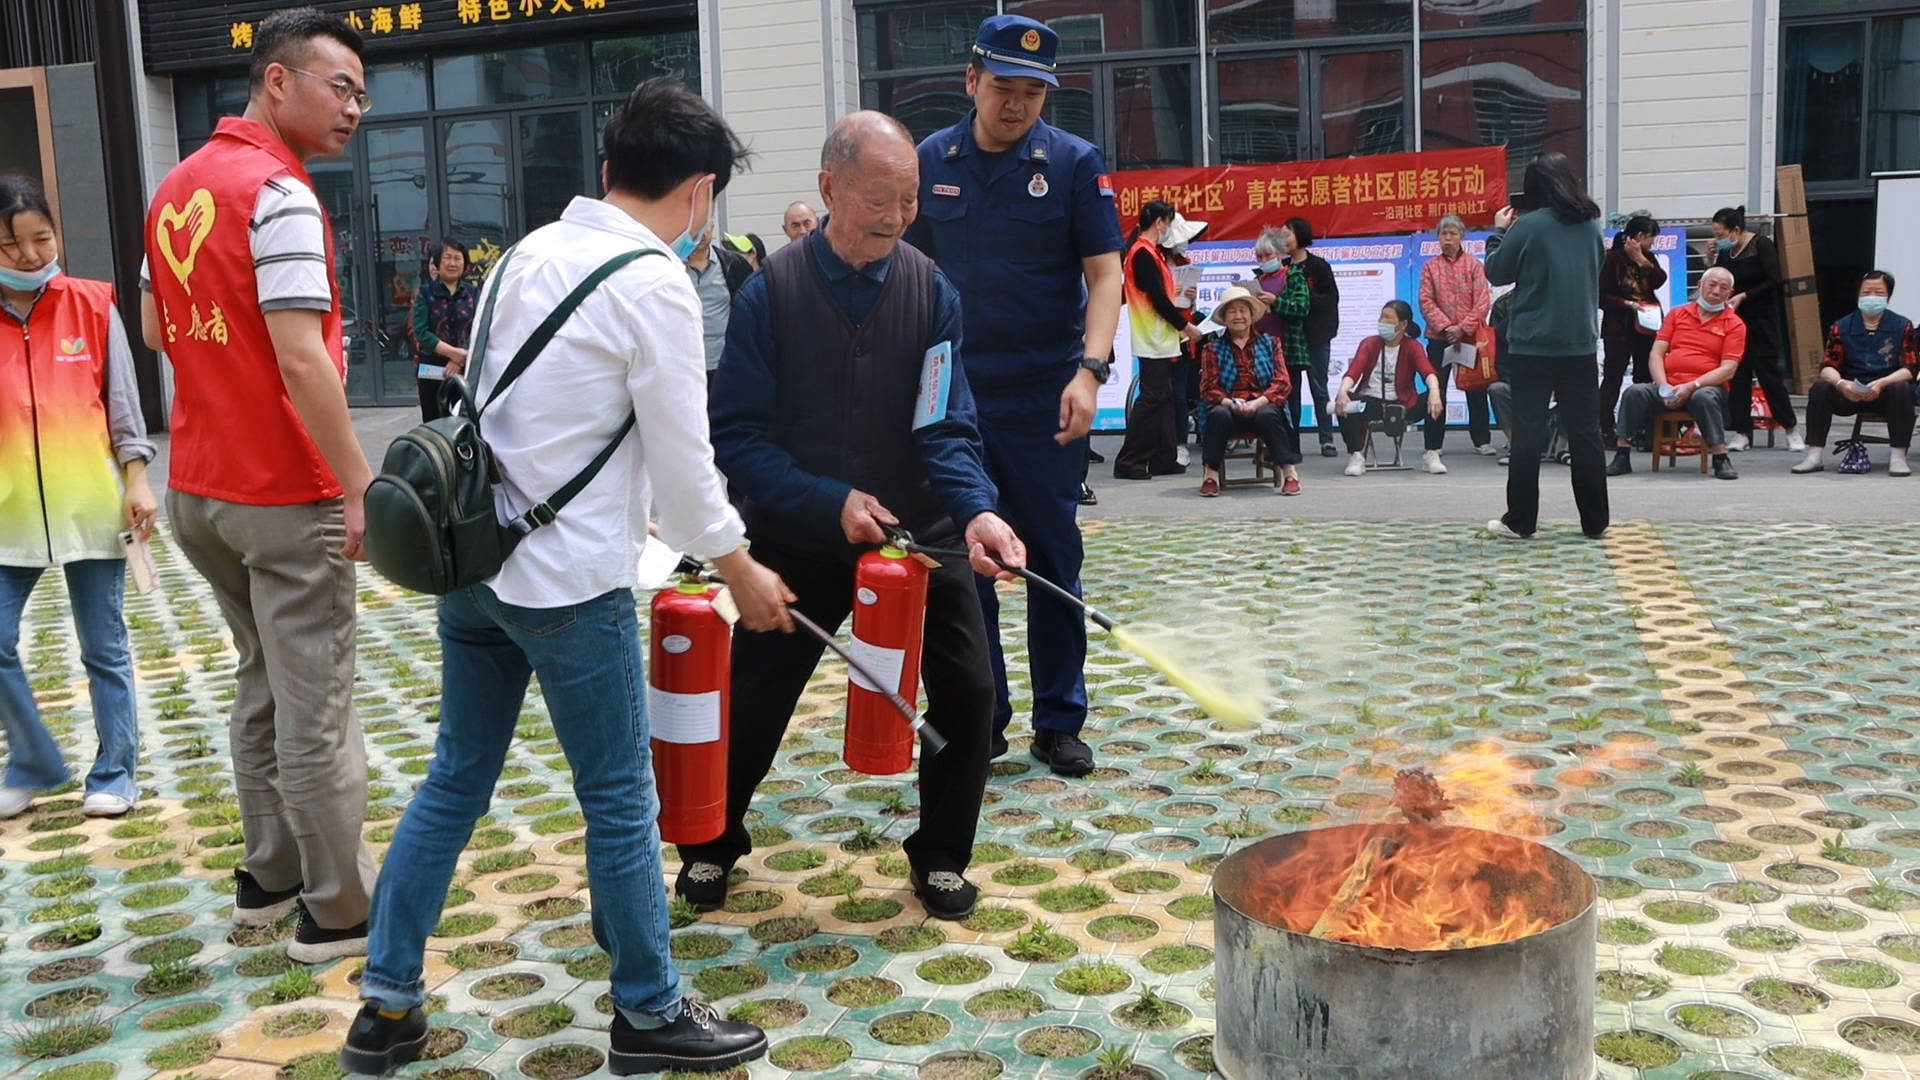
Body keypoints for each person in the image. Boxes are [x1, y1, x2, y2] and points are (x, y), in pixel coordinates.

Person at [342, 78, 791, 1078]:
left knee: (455, 779)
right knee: (621, 798)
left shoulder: (524, 256)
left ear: (606, 170)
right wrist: (740, 568)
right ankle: (648, 1010)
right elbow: (683, 462)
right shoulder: (654, 282)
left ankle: (385, 1004)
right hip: (568, 586)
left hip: (476, 563)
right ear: (701, 193)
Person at [691, 112, 1025, 923]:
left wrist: (977, 510)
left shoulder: (931, 292)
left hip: (920, 535)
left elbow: (945, 424)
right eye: (879, 196)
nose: (896, 215)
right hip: (801, 539)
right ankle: (711, 845)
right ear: (828, 187)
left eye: (910, 199)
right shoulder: (770, 294)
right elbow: (735, 434)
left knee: (972, 692)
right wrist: (825, 499)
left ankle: (942, 854)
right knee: (753, 696)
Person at [140, 7, 379, 963]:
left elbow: (161, 335)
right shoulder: (278, 193)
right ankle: (337, 910)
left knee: (263, 683)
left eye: (363, 93)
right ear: (277, 81)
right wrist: (359, 484)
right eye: (340, 87)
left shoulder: (177, 187)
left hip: (200, 488)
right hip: (284, 492)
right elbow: (299, 359)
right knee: (315, 698)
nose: (355, 108)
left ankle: (268, 877)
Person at [903, 14, 1125, 778]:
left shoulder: (1071, 163)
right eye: (1004, 87)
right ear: (971, 81)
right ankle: (982, 716)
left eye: (1034, 92)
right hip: (954, 401)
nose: (1018, 104)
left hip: (1045, 397)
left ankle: (1060, 721)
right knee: (966, 567)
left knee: (1053, 558)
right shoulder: (929, 161)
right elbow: (908, 282)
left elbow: (1105, 276)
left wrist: (1089, 372)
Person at [0, 174, 155, 821]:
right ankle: (34, 759)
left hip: (92, 505)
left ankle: (115, 772)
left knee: (103, 646)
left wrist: (139, 478)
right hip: (7, 516)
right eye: (14, 246)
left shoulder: (92, 305)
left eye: (43, 237)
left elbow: (123, 407)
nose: (34, 255)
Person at [1482, 151, 1608, 540]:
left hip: (1533, 345)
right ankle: (1595, 522)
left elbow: (1496, 270)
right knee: (1585, 432)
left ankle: (1521, 521)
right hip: (1579, 343)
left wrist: (1498, 232)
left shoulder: (1530, 225)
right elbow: (1596, 267)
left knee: (1528, 432)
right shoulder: (1590, 225)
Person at [1607, 267, 1744, 481]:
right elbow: (1656, 354)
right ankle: (1622, 455)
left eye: (1723, 288)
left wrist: (1692, 386)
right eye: (1712, 284)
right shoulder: (1677, 314)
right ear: (1700, 285)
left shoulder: (1734, 324)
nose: (1716, 291)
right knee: (1635, 392)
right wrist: (1664, 388)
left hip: (1706, 387)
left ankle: (1720, 457)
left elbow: (1728, 369)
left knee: (1704, 397)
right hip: (1669, 385)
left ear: (1730, 294)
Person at [1795, 270, 1917, 476]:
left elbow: (1910, 368)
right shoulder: (1841, 326)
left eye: (1878, 292)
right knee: (1821, 388)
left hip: (1884, 392)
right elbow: (1827, 367)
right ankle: (1814, 455)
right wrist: (1842, 384)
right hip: (1850, 391)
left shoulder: (1902, 325)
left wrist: (1882, 383)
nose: (1872, 297)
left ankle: (1898, 457)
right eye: (1866, 292)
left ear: (1888, 297)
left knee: (1902, 388)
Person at [1114, 201, 1203, 479]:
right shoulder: (1142, 253)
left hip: (1161, 336)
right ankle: (1129, 460)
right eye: (1168, 223)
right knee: (1152, 398)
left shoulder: (1150, 252)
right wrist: (1186, 326)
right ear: (1159, 222)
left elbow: (1162, 296)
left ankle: (1164, 457)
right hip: (1151, 335)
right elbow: (1158, 301)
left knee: (1162, 397)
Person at [1712, 205, 1805, 452]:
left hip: (1761, 320)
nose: (1718, 239)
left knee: (1769, 376)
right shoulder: (1725, 253)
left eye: (1721, 235)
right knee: (1737, 377)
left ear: (1736, 230)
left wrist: (1745, 296)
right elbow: (1719, 280)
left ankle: (1791, 429)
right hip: (1733, 322)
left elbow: (1774, 279)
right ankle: (1742, 432)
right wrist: (1712, 260)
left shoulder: (1760, 244)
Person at [1196, 285, 1296, 496]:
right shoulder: (1211, 348)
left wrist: (1258, 402)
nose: (1238, 316)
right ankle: (1210, 475)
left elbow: (1282, 383)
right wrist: (1230, 403)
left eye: (1243, 310)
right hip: (1229, 406)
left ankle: (1290, 473)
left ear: (1252, 316)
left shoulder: (1271, 343)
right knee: (1218, 415)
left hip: (1262, 405)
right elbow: (1208, 387)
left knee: (1269, 414)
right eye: (1232, 311)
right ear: (1224, 318)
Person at [1418, 213, 1495, 463]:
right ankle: (1433, 444)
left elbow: (1482, 301)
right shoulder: (1430, 267)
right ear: (1438, 238)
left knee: (1476, 387)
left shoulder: (1474, 265)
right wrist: (1446, 327)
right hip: (1440, 339)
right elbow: (1425, 301)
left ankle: (1482, 440)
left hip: (1469, 338)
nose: (1448, 238)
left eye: (1453, 233)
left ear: (1462, 237)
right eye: (1443, 233)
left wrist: (1462, 328)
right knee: (1436, 389)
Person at [1334, 301, 1443, 476]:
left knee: (1438, 397)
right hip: (1371, 404)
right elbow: (1354, 372)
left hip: (1404, 404)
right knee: (1344, 402)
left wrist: (1435, 393)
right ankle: (1356, 455)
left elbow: (1428, 371)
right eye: (1381, 317)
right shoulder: (1369, 344)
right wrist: (1342, 391)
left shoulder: (1413, 346)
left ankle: (1432, 453)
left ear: (1403, 324)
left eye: (1388, 318)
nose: (1382, 321)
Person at [1597, 213, 1667, 446]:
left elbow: (1659, 280)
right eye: (1650, 238)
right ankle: (1606, 428)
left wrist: (1641, 259)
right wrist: (1626, 304)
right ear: (1639, 236)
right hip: (1619, 326)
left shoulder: (1647, 257)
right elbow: (1601, 295)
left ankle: (1644, 429)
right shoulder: (1611, 258)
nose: (1652, 244)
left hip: (1646, 325)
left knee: (1644, 376)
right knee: (1613, 377)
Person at [1284, 218, 1339, 455]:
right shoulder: (1282, 267)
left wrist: (1304, 298)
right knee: (1290, 392)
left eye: (1288, 234)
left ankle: (1327, 439)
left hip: (1317, 337)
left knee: (1319, 389)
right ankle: (1291, 441)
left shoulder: (1319, 266)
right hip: (1291, 340)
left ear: (1300, 236)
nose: (1283, 239)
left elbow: (1331, 299)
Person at [408, 236, 476, 421]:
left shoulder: (473, 293)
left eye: (457, 258)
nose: (452, 263)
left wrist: (458, 360)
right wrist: (454, 353)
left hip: (467, 366)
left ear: (465, 264)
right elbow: (421, 332)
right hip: (432, 369)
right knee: (434, 420)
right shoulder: (425, 293)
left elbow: (479, 327)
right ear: (437, 263)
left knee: (466, 419)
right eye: (447, 257)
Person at [685, 217, 752, 383]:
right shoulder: (670, 267)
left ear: (712, 227)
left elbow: (750, 311)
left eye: (704, 227)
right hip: (685, 366)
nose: (700, 234)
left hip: (724, 364)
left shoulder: (733, 265)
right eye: (695, 228)